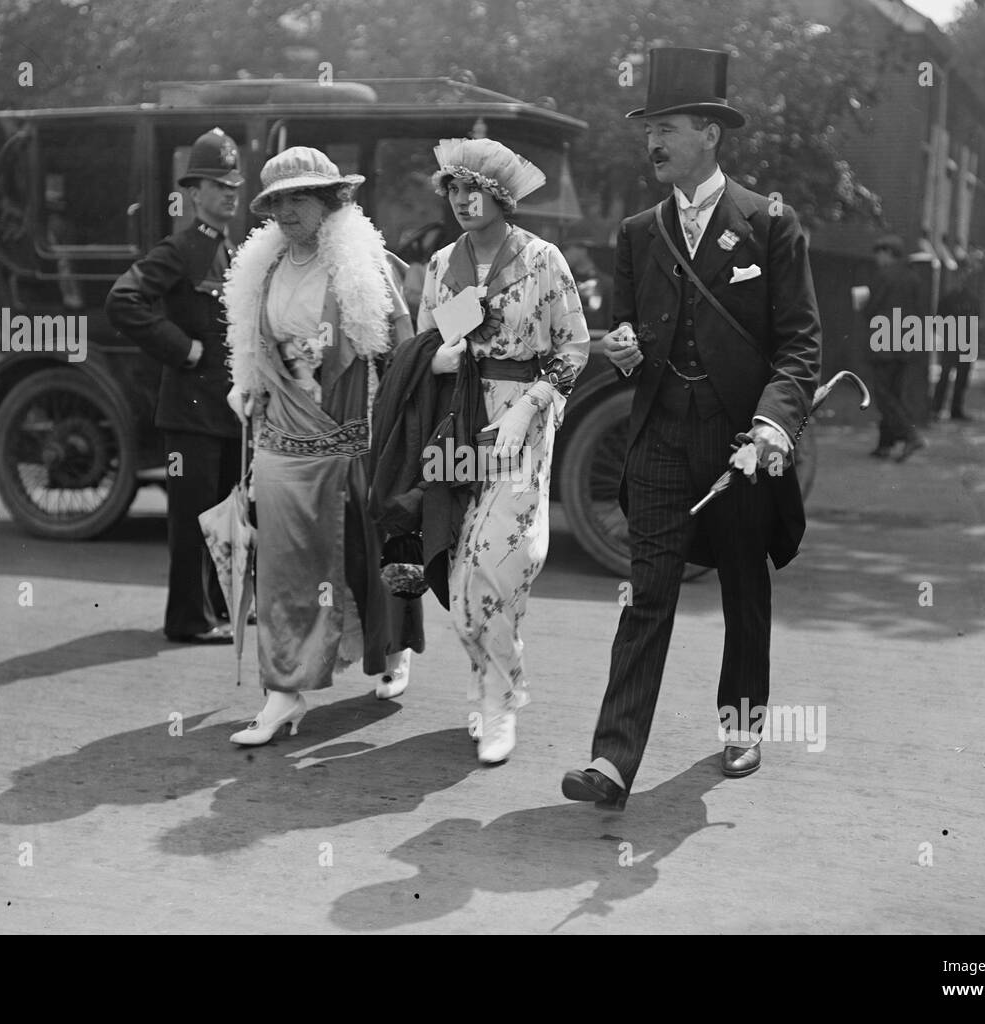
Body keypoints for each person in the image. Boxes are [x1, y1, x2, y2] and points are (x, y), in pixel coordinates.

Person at [560, 46, 821, 808]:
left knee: (743, 580)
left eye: (667, 127)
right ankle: (612, 760)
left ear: (709, 132)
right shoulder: (639, 232)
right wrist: (623, 347)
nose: (653, 142)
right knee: (648, 593)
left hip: (738, 442)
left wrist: (775, 425)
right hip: (659, 434)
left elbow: (801, 343)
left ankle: (742, 726)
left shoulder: (771, 222)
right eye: (648, 128)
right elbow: (628, 330)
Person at [223, 146, 424, 745]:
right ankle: (283, 693)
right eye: (276, 201)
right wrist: (246, 387)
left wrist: (399, 434)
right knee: (282, 571)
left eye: (299, 198)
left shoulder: (367, 267)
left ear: (333, 201)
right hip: (281, 439)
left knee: (367, 558)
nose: (286, 211)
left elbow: (402, 355)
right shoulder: (262, 268)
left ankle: (390, 650)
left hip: (351, 438)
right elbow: (253, 347)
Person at [415, 137, 590, 765]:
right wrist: (435, 356)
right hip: (460, 425)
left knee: (498, 560)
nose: (463, 200)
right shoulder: (440, 266)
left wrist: (531, 402)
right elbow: (422, 347)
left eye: (475, 190)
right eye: (454, 190)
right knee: (461, 576)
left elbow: (572, 349)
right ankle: (486, 682)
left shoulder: (544, 261)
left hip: (524, 424)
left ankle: (500, 699)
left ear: (502, 196)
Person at [106, 128, 244, 643]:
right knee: (192, 521)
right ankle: (187, 619)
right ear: (193, 192)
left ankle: (220, 608)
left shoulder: (232, 250)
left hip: (226, 410)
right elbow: (123, 300)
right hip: (189, 413)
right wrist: (183, 348)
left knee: (227, 517)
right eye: (216, 183)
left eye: (234, 182)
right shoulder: (181, 249)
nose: (229, 192)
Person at [865, 233, 929, 460]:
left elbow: (871, 307)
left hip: (884, 342)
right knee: (894, 393)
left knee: (884, 396)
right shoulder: (913, 278)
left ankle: (911, 437)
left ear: (888, 253)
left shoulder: (883, 276)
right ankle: (885, 445)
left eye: (879, 254)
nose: (877, 259)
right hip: (905, 343)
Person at [931, 253, 982, 422]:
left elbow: (976, 319)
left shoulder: (973, 299)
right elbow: (938, 319)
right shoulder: (948, 299)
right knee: (945, 375)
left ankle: (956, 409)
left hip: (967, 341)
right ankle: (936, 408)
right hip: (951, 341)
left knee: (962, 377)